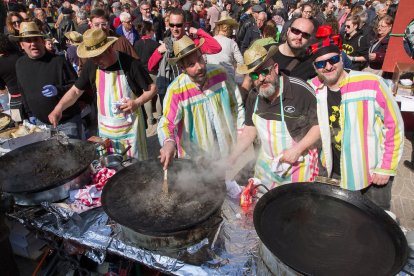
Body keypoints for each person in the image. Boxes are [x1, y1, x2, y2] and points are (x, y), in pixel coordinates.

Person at [307, 32, 404, 210]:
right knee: (341, 221)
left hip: (372, 172)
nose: (328, 67)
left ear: (342, 58)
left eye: (333, 59)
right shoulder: (313, 88)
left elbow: (394, 126)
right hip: (334, 171)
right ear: (315, 67)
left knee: (376, 225)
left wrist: (386, 167)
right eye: (321, 63)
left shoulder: (371, 82)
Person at [48, 28, 156, 159]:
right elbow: (76, 91)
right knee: (110, 168)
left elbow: (151, 88)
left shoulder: (130, 64)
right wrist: (59, 108)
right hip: (106, 131)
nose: (95, 61)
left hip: (130, 130)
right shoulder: (92, 65)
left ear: (109, 49)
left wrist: (137, 102)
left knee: (135, 168)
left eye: (98, 56)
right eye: (92, 58)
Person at [228, 44, 319, 189]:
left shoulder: (299, 90)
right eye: (255, 75)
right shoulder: (253, 96)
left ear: (275, 68)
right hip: (267, 165)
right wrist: (232, 157)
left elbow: (319, 125)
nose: (261, 79)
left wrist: (298, 149)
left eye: (265, 71)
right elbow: (249, 131)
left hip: (297, 165)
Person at [158, 36, 244, 169]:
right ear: (182, 68)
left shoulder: (220, 74)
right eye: (191, 64)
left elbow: (237, 105)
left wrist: (240, 136)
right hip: (196, 162)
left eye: (200, 59)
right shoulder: (176, 90)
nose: (199, 67)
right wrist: (169, 142)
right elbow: (167, 123)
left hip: (228, 152)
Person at [14, 22, 82, 138]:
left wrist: (58, 89)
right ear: (22, 45)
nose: (33, 44)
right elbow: (23, 90)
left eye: (36, 39)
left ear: (42, 41)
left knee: (71, 155)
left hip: (66, 122)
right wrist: (29, 113)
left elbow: (77, 87)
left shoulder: (58, 61)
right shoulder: (20, 64)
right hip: (41, 124)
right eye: (28, 41)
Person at [148, 8, 221, 107]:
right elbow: (150, 66)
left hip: (193, 92)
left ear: (185, 24)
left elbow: (216, 48)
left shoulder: (193, 43)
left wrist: (198, 31)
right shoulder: (167, 43)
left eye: (178, 25)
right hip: (172, 90)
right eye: (172, 25)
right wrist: (159, 51)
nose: (175, 28)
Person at [206, 15, 243, 82]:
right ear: (228, 29)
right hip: (228, 78)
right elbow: (240, 61)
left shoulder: (209, 41)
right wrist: (238, 79)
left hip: (211, 77)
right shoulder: (231, 43)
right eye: (231, 28)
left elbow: (204, 59)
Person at [0, 34, 24, 122]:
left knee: (17, 123)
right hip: (30, 95)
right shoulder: (20, 55)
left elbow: (1, 87)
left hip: (15, 99)